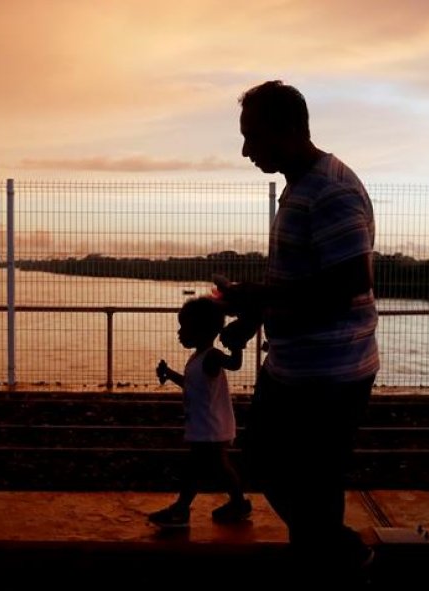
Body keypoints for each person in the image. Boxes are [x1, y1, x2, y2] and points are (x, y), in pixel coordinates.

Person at [215, 80, 379, 584]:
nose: (246, 150)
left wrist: (257, 299)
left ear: (288, 130)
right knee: (279, 470)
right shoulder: (302, 186)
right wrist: (255, 318)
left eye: (253, 137)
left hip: (331, 373)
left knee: (307, 481)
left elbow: (350, 284)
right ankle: (327, 557)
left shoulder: (332, 191)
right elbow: (303, 278)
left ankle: (336, 560)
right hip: (295, 365)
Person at [148, 296, 252, 528]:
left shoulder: (211, 356)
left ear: (201, 331)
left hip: (210, 427)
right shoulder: (198, 358)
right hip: (204, 425)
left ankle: (182, 509)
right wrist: (170, 374)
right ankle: (237, 503)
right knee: (218, 467)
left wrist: (237, 344)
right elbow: (191, 384)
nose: (179, 332)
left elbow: (234, 364)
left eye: (184, 327)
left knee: (198, 469)